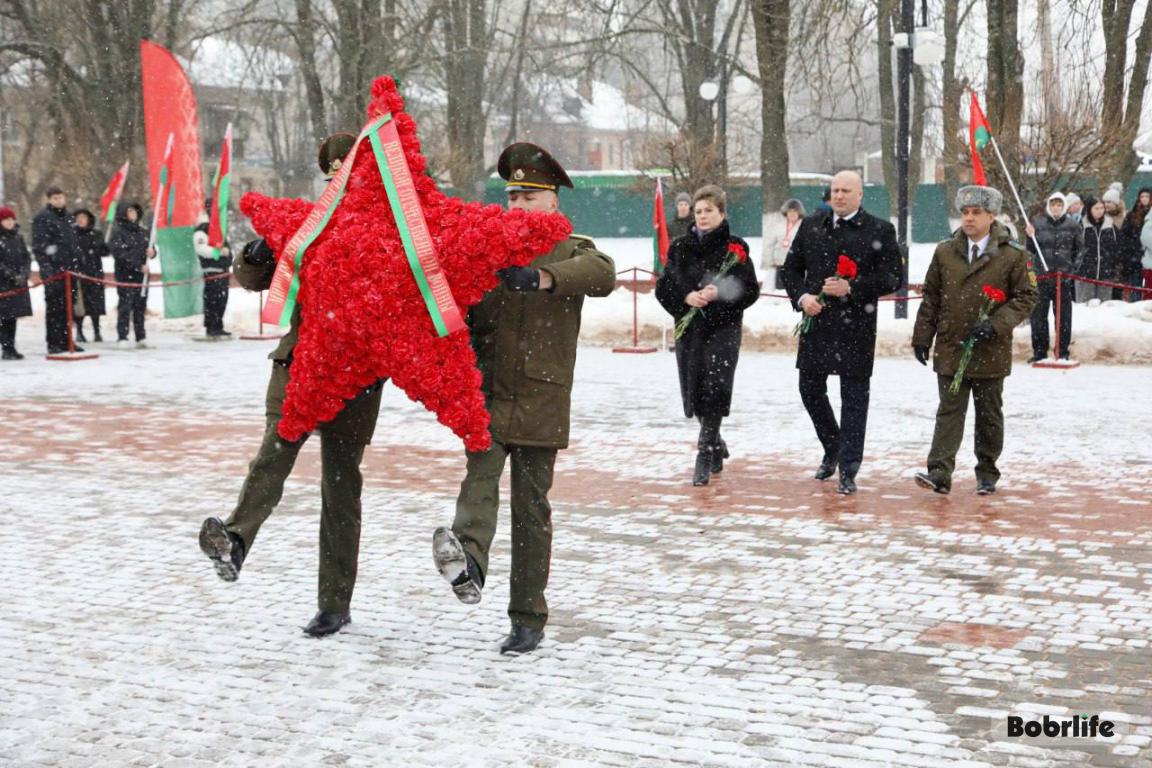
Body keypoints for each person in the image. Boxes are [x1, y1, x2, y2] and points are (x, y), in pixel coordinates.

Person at [431, 142, 616, 655]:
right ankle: (467, 561)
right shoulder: (487, 247)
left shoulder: (573, 248)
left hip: (541, 395)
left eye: (530, 196)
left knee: (531, 511)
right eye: (513, 195)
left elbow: (603, 274)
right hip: (489, 394)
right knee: (480, 478)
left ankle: (528, 616)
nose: (518, 205)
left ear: (553, 201)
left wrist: (541, 276)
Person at [198, 132, 383, 639]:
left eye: (348, 178)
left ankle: (334, 603)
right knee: (273, 454)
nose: (338, 186)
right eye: (332, 178)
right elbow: (255, 278)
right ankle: (235, 540)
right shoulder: (307, 222)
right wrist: (257, 253)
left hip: (356, 375)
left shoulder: (386, 229)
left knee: (341, 490)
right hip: (298, 364)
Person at [781, 170, 902, 494]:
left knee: (854, 398)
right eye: (834, 190)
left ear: (860, 195)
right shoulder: (811, 226)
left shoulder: (880, 229)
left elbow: (893, 278)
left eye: (846, 190)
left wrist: (853, 287)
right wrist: (803, 297)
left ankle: (849, 467)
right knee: (809, 388)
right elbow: (791, 270)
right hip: (817, 323)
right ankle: (833, 445)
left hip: (856, 326)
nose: (839, 195)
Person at [912, 186, 1038, 495]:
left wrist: (996, 324)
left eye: (976, 213)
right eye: (965, 212)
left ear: (991, 216)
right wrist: (922, 336)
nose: (968, 218)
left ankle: (987, 471)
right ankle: (940, 471)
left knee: (989, 415)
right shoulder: (945, 251)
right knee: (949, 411)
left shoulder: (1013, 255)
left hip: (989, 348)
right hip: (952, 344)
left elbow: (1027, 296)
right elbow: (932, 297)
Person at [656, 185, 759, 486]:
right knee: (695, 388)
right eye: (699, 211)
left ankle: (703, 452)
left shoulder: (735, 248)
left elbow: (750, 288)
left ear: (722, 213)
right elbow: (665, 287)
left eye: (709, 211)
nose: (702, 216)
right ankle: (715, 441)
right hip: (690, 329)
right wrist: (686, 298)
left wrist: (720, 293)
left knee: (716, 386)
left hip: (722, 328)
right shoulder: (680, 247)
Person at [1024, 192, 1082, 361]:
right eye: (1053, 205)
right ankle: (1039, 352)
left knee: (1063, 317)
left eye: (1059, 205)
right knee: (1038, 316)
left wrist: (1071, 271)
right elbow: (1030, 250)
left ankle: (1062, 352)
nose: (1056, 208)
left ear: (1063, 206)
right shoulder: (1038, 224)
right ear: (1048, 206)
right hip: (1042, 277)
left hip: (1062, 278)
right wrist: (1029, 236)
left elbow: (1079, 250)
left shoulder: (1073, 225)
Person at [31, 186, 83, 354]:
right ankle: (54, 342)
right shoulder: (42, 218)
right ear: (49, 200)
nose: (59, 201)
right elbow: (40, 247)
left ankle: (68, 340)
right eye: (55, 198)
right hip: (54, 271)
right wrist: (47, 270)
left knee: (69, 308)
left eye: (61, 198)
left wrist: (77, 263)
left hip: (70, 271)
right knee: (55, 308)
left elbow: (73, 243)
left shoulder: (69, 217)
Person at [108, 203, 153, 348]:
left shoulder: (143, 232)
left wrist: (152, 253)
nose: (132, 213)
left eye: (134, 211)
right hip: (125, 274)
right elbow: (120, 255)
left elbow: (149, 248)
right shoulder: (118, 233)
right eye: (129, 211)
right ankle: (123, 336)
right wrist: (137, 266)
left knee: (140, 306)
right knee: (125, 306)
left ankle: (141, 336)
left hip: (142, 276)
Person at [193, 198, 234, 337]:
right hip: (211, 272)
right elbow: (201, 249)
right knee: (212, 300)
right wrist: (217, 253)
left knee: (222, 300)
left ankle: (219, 325)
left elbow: (228, 250)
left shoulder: (220, 228)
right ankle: (211, 327)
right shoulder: (202, 228)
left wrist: (227, 258)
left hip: (223, 272)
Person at [1076, 196, 1123, 304]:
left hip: (1106, 274)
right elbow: (1074, 249)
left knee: (1104, 307)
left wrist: (1114, 267)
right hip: (1085, 274)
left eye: (1102, 208)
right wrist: (1078, 266)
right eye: (1096, 208)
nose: (1100, 211)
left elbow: (1118, 248)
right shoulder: (1082, 226)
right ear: (1089, 209)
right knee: (1085, 307)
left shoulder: (1110, 226)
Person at [0, 206, 33, 360]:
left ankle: (11, 347)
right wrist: (11, 275)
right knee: (4, 317)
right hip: (4, 283)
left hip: (18, 283)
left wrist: (24, 273)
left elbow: (26, 257)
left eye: (11, 219)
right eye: (6, 220)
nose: (9, 222)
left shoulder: (18, 237)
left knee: (13, 316)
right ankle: (6, 348)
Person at [72, 209, 108, 343]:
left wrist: (101, 246)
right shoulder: (71, 235)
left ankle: (97, 331)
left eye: (84, 217)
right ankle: (79, 332)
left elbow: (105, 252)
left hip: (95, 275)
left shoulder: (96, 234)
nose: (81, 219)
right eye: (78, 217)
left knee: (95, 306)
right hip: (78, 275)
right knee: (80, 307)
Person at [762, 198, 805, 289]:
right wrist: (769, 261)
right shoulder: (779, 225)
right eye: (790, 211)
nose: (792, 214)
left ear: (799, 213)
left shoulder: (804, 226)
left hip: (797, 266)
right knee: (780, 291)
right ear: (786, 213)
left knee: (796, 290)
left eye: (795, 211)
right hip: (780, 264)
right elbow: (770, 245)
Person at [1121, 186, 1151, 300]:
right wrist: (1134, 249)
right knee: (1136, 288)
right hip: (1135, 257)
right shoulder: (1132, 215)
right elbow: (1125, 235)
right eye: (1142, 196)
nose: (1144, 199)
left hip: (1149, 256)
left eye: (1147, 196)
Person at [1102, 185, 1128, 300]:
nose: (1106, 204)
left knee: (1118, 291)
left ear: (1116, 203)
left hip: (1120, 259)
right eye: (1105, 202)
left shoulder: (1124, 217)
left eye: (1109, 202)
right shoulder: (1101, 217)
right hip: (1106, 258)